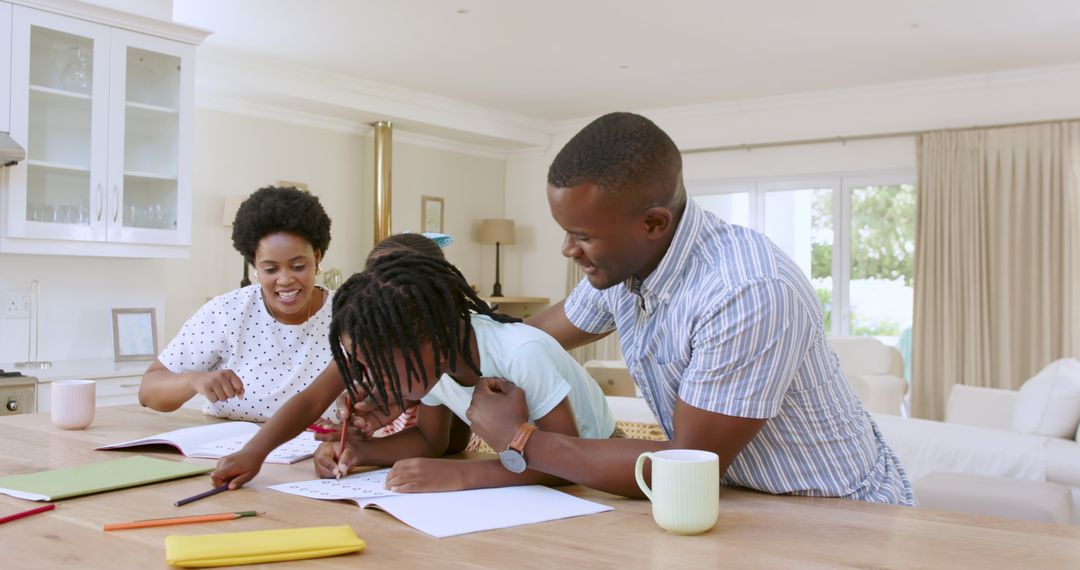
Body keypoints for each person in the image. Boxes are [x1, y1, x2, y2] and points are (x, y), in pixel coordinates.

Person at [465, 112, 914, 505]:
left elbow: (686, 467)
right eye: (565, 231)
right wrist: (451, 328)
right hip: (736, 501)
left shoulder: (746, 291)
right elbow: (528, 337)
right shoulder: (623, 266)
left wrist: (519, 439)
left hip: (838, 512)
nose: (568, 250)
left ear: (654, 223)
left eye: (582, 235)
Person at [309, 251, 615, 493]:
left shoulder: (520, 353)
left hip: (602, 478)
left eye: (382, 364)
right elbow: (432, 441)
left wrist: (461, 473)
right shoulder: (434, 361)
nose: (373, 377)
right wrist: (359, 452)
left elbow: (568, 464)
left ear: (432, 340)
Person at [210, 233, 460, 489]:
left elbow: (436, 442)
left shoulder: (439, 349)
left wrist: (361, 451)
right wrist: (254, 452)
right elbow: (311, 400)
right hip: (399, 465)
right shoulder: (373, 337)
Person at [139, 186, 336, 421]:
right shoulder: (227, 313)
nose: (284, 280)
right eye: (270, 269)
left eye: (298, 266)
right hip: (227, 451)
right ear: (254, 265)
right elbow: (148, 392)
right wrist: (193, 380)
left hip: (318, 453)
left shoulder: (349, 315)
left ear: (317, 257)